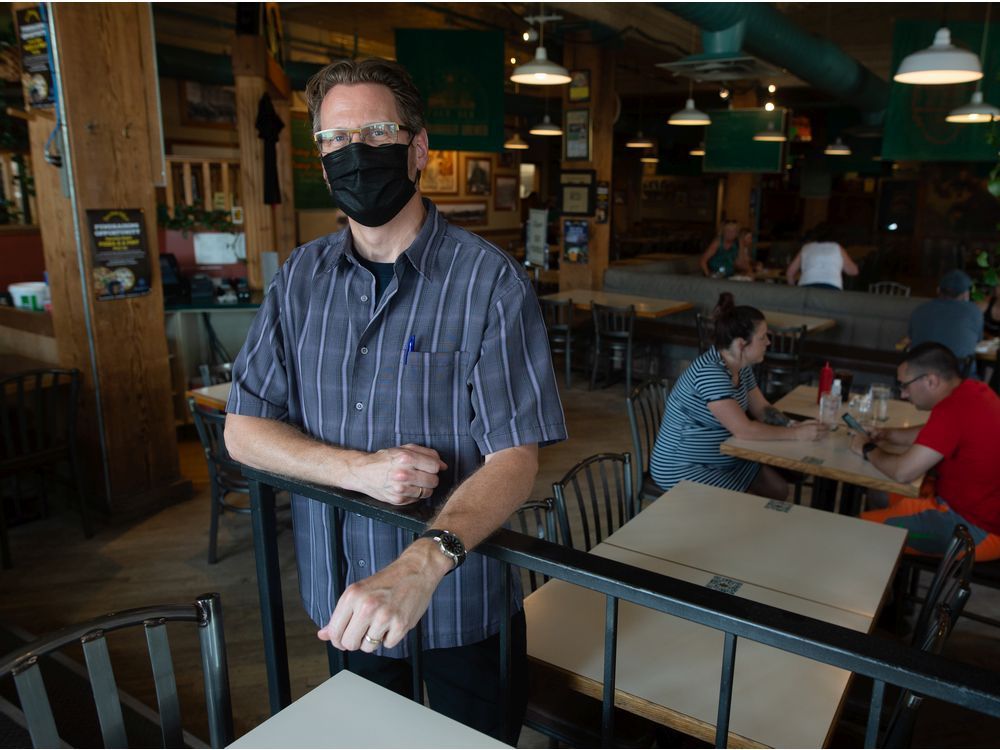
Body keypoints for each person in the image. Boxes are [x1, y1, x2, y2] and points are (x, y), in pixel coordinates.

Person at [223, 58, 567, 743]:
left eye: (375, 131)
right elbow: (243, 432)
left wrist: (422, 560)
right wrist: (358, 472)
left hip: (459, 598)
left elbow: (515, 458)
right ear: (320, 158)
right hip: (345, 596)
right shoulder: (300, 280)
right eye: (334, 139)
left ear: (417, 148)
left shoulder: (489, 282)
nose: (354, 153)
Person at [649, 293, 828, 500]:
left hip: (724, 456)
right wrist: (797, 435)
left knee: (778, 490)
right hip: (683, 465)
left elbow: (761, 408)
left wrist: (791, 425)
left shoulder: (740, 366)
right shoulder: (710, 373)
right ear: (742, 344)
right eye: (762, 338)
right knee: (748, 504)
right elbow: (743, 430)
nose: (768, 342)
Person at [850, 343, 1000, 561]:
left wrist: (866, 448)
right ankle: (891, 568)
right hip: (972, 509)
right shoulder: (973, 391)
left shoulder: (952, 409)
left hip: (975, 528)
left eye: (905, 386)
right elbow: (934, 434)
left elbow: (903, 472)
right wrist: (887, 434)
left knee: (856, 529)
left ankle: (883, 583)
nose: (902, 394)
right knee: (879, 492)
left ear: (931, 381)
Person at [908, 269, 983, 366]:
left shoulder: (919, 310)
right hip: (958, 377)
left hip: (921, 375)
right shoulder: (974, 311)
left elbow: (910, 337)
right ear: (966, 295)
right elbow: (978, 340)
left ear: (938, 290)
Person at [784, 226, 859, 289]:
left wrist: (794, 289)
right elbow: (853, 271)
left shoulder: (806, 247)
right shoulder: (837, 248)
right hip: (832, 288)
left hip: (807, 288)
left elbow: (790, 273)